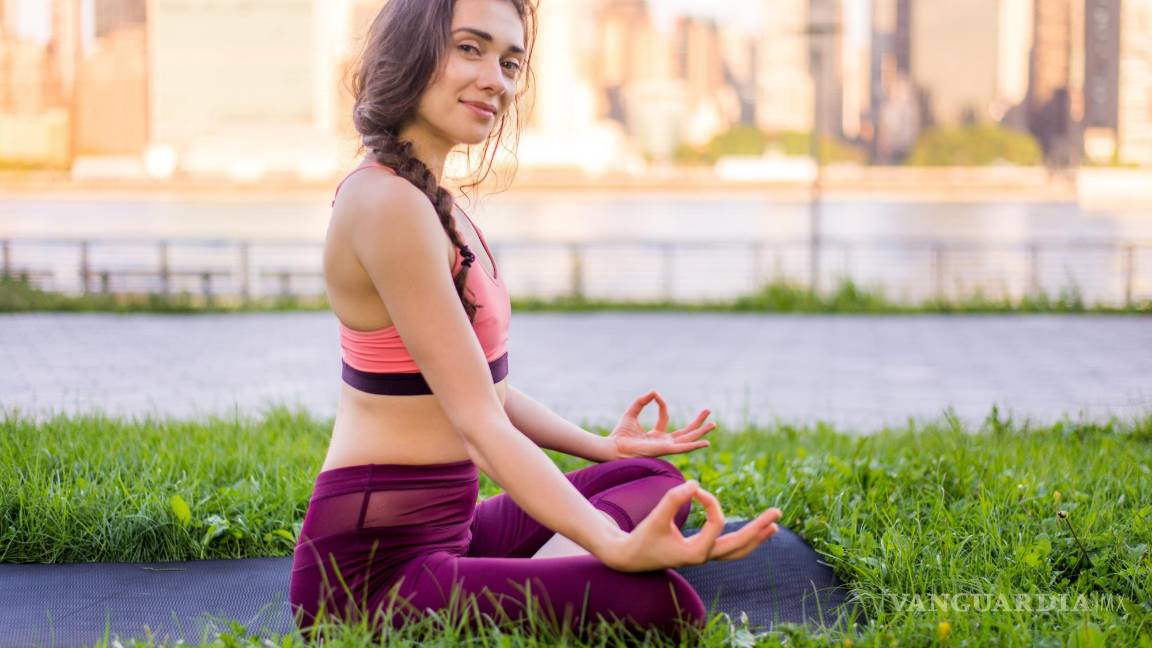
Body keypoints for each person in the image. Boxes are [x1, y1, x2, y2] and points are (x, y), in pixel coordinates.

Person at [288, 0, 783, 639]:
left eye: (510, 61)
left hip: (454, 533)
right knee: (668, 609)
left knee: (649, 478)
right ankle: (561, 579)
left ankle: (530, 582)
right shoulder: (386, 204)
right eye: (471, 48)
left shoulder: (429, 200)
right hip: (368, 577)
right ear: (410, 51)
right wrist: (611, 545)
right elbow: (478, 423)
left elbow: (484, 388)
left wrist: (601, 447)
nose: (498, 79)